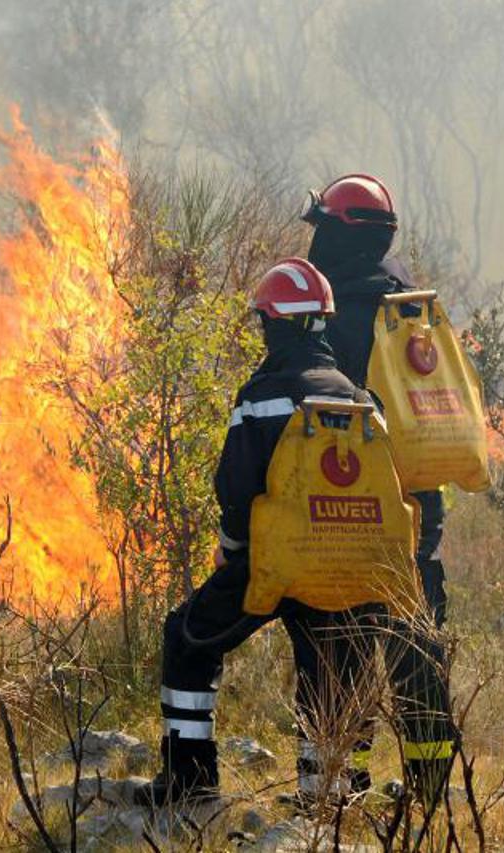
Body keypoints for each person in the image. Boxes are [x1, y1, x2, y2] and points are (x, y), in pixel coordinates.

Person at [136, 257, 386, 808]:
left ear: (275, 325)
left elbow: (238, 490)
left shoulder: (262, 397)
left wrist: (232, 556)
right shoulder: (358, 399)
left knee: (188, 638)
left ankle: (189, 781)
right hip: (346, 564)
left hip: (274, 559)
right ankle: (326, 799)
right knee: (332, 668)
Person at [300, 172, 456, 797]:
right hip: (419, 505)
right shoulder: (408, 306)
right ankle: (432, 786)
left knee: (337, 644)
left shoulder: (327, 313)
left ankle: (334, 787)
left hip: (347, 506)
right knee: (417, 649)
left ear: (341, 235)